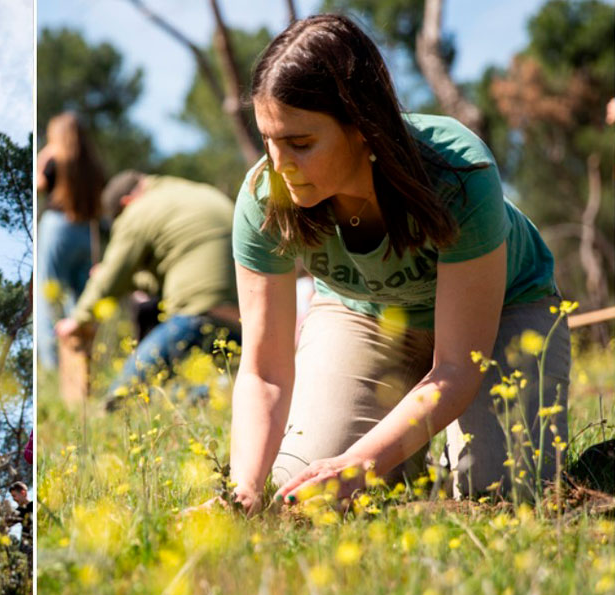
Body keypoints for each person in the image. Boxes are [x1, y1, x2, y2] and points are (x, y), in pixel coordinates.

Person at [228, 14, 568, 512]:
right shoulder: (263, 199)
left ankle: (437, 457)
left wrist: (360, 462)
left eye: (300, 144)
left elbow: (455, 366)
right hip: (364, 317)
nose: (279, 165)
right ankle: (408, 458)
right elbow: (263, 371)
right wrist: (244, 493)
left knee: (503, 491)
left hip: (503, 313)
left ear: (363, 126)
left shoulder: (457, 171)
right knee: (301, 491)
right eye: (269, 140)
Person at [55, 171, 240, 405]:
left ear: (126, 203)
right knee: (223, 381)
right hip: (241, 318)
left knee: (120, 400)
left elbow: (114, 274)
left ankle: (204, 397)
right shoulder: (189, 192)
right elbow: (172, 265)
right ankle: (219, 393)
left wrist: (78, 318)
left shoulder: (137, 211)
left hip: (196, 313)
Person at [36, 112, 106, 369]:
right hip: (88, 231)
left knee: (49, 299)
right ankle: (84, 363)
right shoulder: (93, 165)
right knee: (82, 303)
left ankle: (54, 364)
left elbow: (38, 182)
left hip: (58, 227)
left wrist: (47, 151)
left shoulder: (55, 160)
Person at [7, 481, 33, 558]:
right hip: (25, 549)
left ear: (23, 493)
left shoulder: (34, 506)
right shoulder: (19, 510)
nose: (14, 499)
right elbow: (7, 524)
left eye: (14, 496)